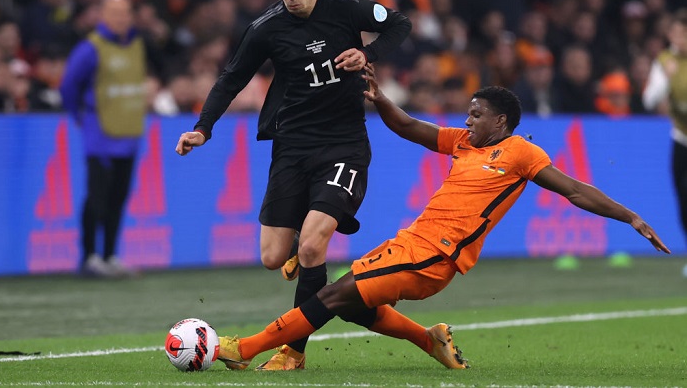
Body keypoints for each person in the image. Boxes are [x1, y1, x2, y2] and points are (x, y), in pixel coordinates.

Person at [211, 65, 670, 371]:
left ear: (502, 122)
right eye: (468, 115)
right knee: (354, 306)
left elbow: (574, 190)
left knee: (333, 294)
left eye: (477, 116)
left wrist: (629, 216)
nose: (467, 122)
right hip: (413, 241)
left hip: (436, 254)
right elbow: (410, 127)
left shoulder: (520, 153)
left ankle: (246, 349)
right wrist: (380, 99)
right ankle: (429, 340)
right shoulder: (465, 143)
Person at [175, 0, 412, 370]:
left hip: (344, 146)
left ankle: (293, 352)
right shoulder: (267, 28)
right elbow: (232, 79)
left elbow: (399, 23)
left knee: (312, 250)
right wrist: (202, 128)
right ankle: (302, 251)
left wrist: (367, 52)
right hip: (292, 147)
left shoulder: (347, 7)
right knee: (271, 257)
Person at [60, 0, 146, 278]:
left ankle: (110, 255)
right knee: (96, 197)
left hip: (129, 136)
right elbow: (69, 86)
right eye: (115, 13)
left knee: (118, 198)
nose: (121, 19)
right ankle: (89, 257)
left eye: (125, 13)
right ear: (103, 16)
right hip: (100, 137)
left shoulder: (136, 45)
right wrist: (80, 118)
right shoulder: (90, 49)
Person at [643, 9, 687, 275]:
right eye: (679, 33)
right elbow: (649, 100)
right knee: (683, 200)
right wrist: (666, 80)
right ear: (671, 35)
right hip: (681, 138)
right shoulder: (665, 61)